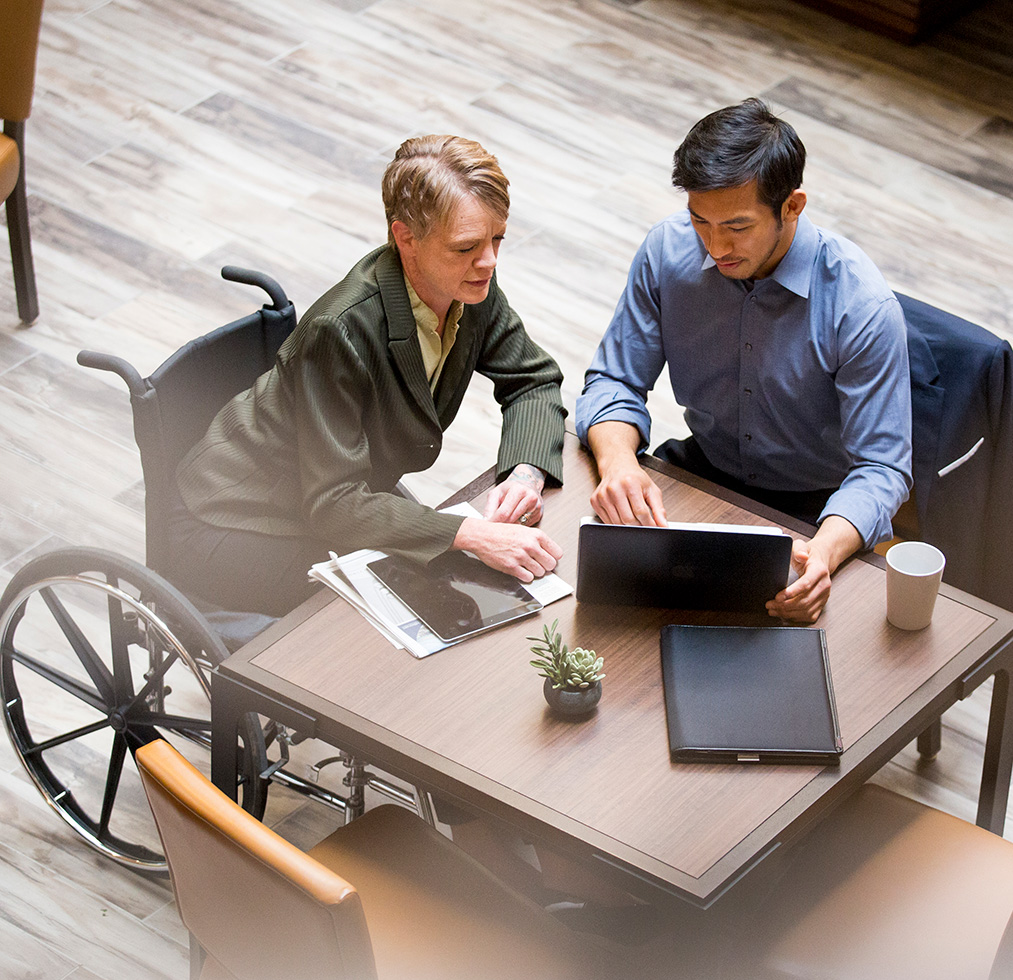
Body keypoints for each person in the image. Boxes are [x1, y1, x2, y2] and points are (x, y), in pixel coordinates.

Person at [168, 135, 565, 618]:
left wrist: (524, 474)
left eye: (497, 238)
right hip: (239, 521)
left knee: (448, 585)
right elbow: (335, 503)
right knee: (405, 610)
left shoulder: (468, 281)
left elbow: (534, 378)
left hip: (333, 494)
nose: (489, 261)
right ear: (405, 239)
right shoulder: (339, 331)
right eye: (466, 247)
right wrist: (474, 533)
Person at [576, 98, 912, 623]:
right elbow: (615, 380)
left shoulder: (861, 307)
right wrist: (618, 463)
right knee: (608, 611)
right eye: (700, 221)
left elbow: (881, 467)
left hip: (816, 509)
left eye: (736, 226)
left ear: (792, 207)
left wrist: (822, 554)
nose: (714, 246)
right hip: (705, 473)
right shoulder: (668, 251)